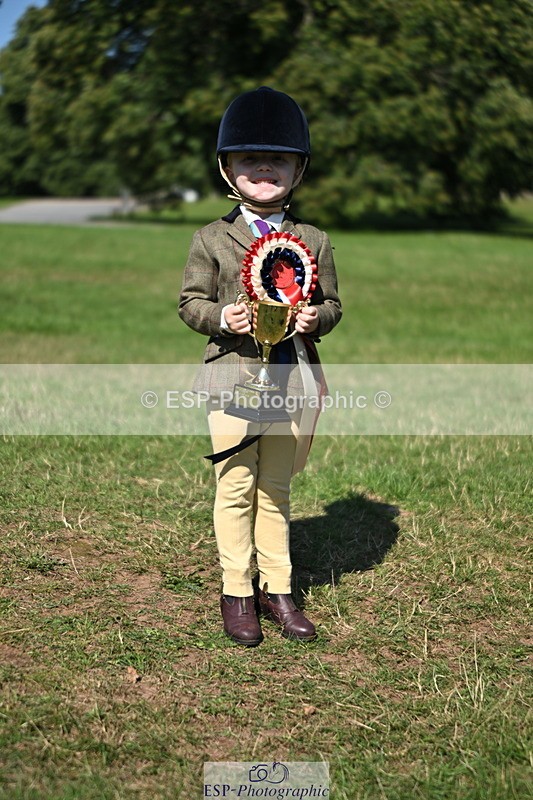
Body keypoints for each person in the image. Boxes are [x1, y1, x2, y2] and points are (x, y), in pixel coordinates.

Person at [179, 87, 341, 647]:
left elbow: (334, 306)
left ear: (299, 171)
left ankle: (278, 588)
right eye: (250, 159)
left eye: (280, 160)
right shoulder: (210, 238)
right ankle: (236, 591)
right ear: (227, 168)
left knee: (276, 487)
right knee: (235, 484)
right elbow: (189, 304)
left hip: (290, 380)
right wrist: (224, 315)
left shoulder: (313, 239)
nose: (264, 168)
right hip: (232, 378)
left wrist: (315, 317)